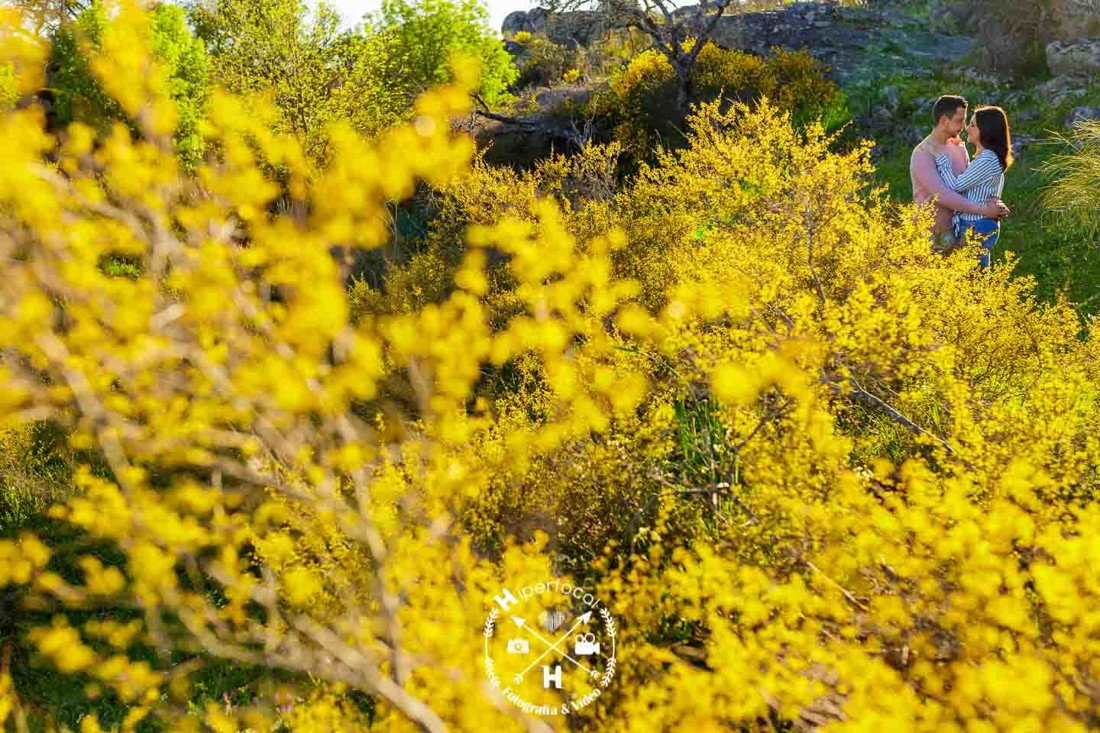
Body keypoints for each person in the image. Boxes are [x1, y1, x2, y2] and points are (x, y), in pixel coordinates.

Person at [910, 95, 1008, 252]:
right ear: (943, 120)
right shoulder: (923, 153)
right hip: (931, 235)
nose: (964, 126)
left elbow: (971, 182)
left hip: (959, 229)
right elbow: (943, 195)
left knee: (975, 275)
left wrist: (994, 200)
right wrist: (985, 210)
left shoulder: (958, 147)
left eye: (966, 120)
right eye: (959, 120)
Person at [934, 106, 1013, 269]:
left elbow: (956, 186)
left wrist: (942, 162)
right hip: (976, 223)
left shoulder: (987, 159)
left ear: (985, 131)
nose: (967, 128)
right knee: (975, 276)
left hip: (977, 225)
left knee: (972, 278)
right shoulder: (986, 158)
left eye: (972, 125)